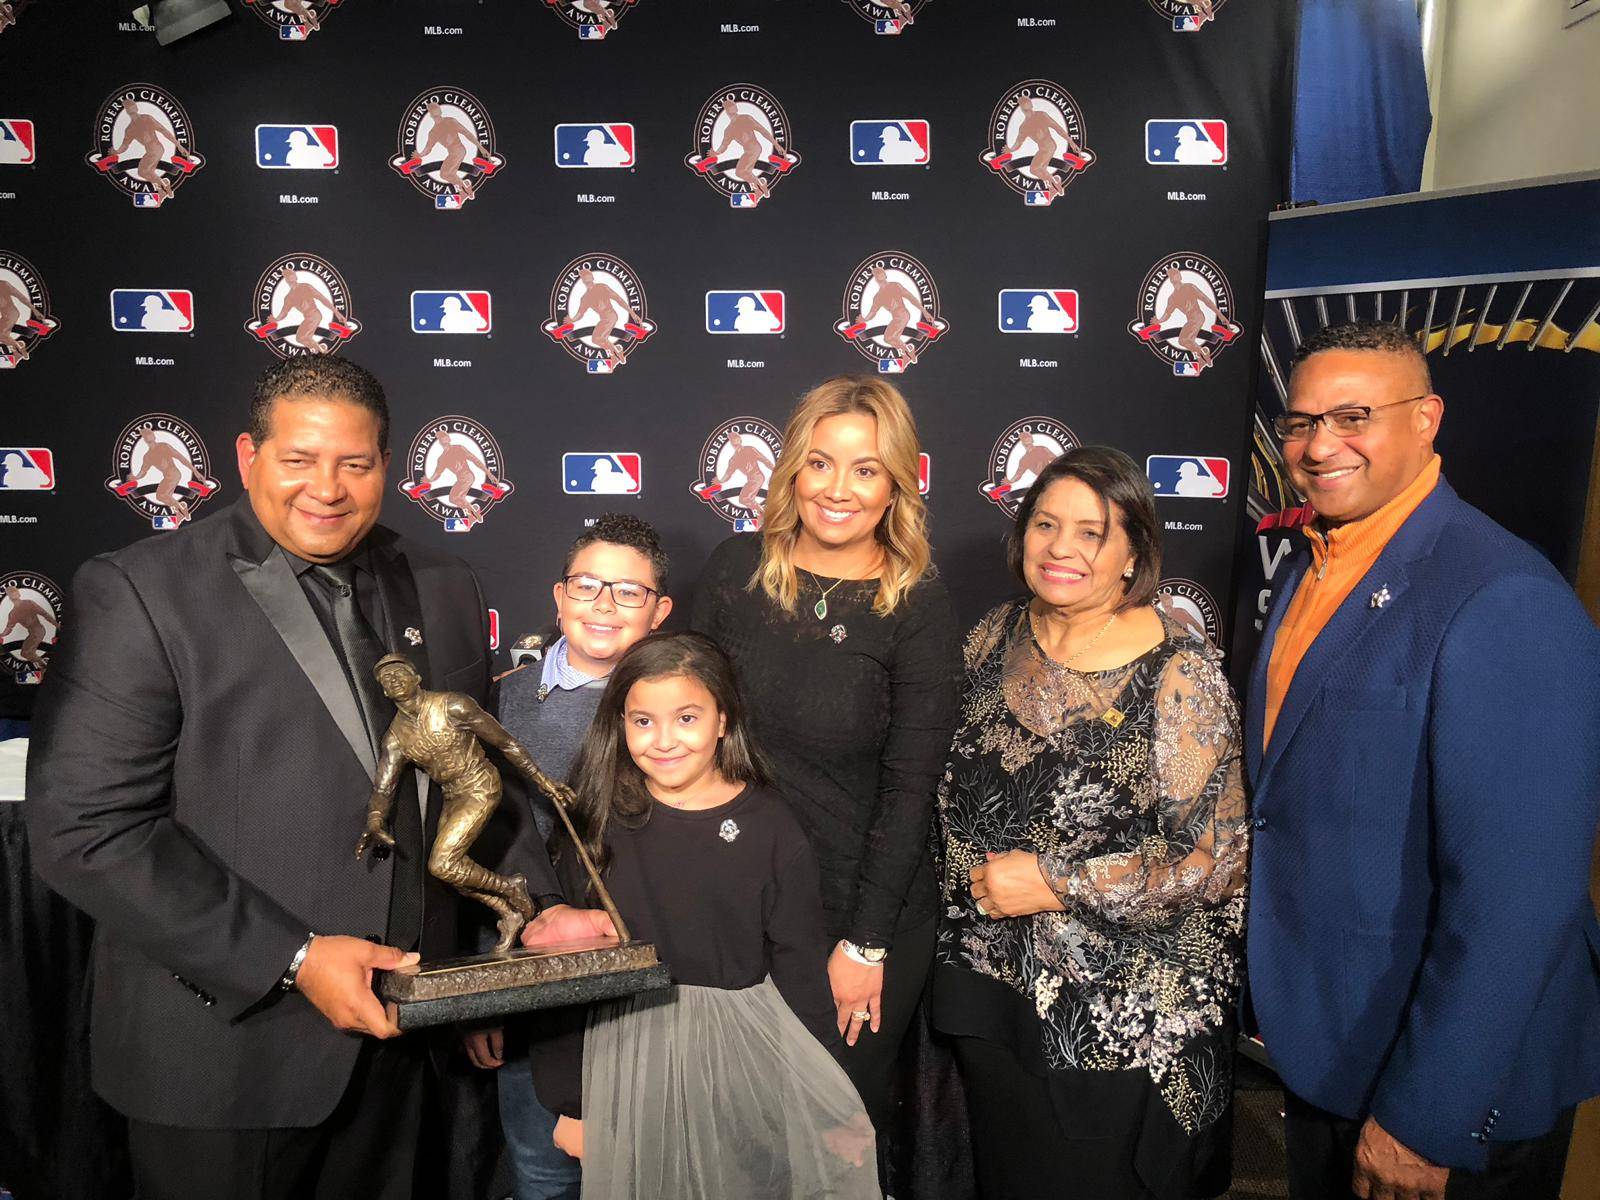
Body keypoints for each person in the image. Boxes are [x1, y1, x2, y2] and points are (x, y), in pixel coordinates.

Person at [25, 357, 605, 1200]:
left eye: (354, 463)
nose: (325, 489)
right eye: (298, 459)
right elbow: (87, 830)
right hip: (227, 1057)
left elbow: (469, 781)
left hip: (408, 1047)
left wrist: (541, 906)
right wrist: (292, 958)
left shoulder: (444, 586)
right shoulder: (141, 589)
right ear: (247, 455)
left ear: (387, 464)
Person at [1246, 320, 1600, 1200]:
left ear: (1427, 419)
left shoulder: (1504, 597)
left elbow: (1521, 895)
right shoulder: (1313, 562)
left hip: (1440, 1096)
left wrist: (1428, 1114)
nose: (1319, 444)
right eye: (1300, 422)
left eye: (1353, 415)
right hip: (1334, 1046)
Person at [934, 446, 1248, 1199]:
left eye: (1091, 532)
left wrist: (1056, 882)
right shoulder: (994, 635)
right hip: (989, 994)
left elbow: (1215, 858)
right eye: (1046, 525)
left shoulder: (1179, 673)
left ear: (1132, 551)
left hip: (1116, 1020)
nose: (1061, 549)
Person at [690, 375, 961, 1153]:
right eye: (819, 463)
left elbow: (913, 790)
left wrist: (865, 944)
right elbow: (676, 730)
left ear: (895, 486)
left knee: (824, 1141)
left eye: (865, 469)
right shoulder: (736, 567)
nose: (838, 489)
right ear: (793, 473)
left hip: (855, 919)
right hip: (734, 905)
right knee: (725, 1134)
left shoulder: (916, 603)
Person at [530, 632, 878, 1199]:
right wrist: (574, 1102)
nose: (664, 740)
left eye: (687, 717)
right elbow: (566, 974)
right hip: (626, 1057)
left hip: (742, 1061)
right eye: (642, 721)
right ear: (619, 723)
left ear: (723, 720)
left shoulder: (771, 826)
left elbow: (798, 969)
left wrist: (828, 1103)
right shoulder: (598, 822)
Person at [468, 514, 673, 1200]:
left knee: (658, 1174)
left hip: (655, 999)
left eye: (627, 592)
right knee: (541, 1172)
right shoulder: (496, 706)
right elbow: (478, 851)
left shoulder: (684, 712)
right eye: (587, 586)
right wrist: (484, 991)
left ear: (660, 611)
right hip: (535, 998)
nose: (604, 605)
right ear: (557, 598)